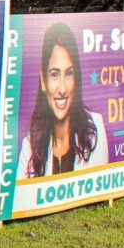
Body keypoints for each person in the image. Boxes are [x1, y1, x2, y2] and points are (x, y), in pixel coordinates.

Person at [18, 21, 107, 178]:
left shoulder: (95, 128)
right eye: (54, 74)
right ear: (43, 81)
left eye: (69, 73)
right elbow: (21, 197)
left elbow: (97, 195)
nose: (62, 89)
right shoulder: (31, 145)